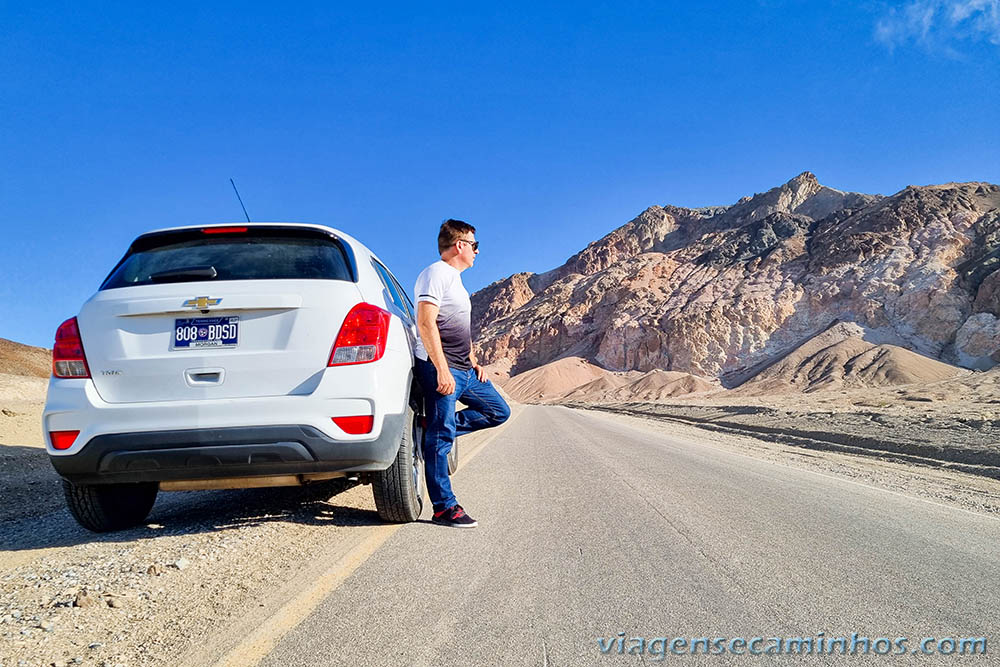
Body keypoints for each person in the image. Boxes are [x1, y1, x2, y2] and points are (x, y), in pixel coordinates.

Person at [413, 219, 510, 528]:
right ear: (459, 246)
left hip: (465, 369)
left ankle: (432, 427)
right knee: (440, 441)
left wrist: (474, 360)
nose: (477, 252)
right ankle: (444, 507)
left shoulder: (456, 281)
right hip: (443, 369)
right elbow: (426, 323)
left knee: (498, 411)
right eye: (475, 245)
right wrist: (441, 369)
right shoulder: (436, 273)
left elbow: (458, 329)